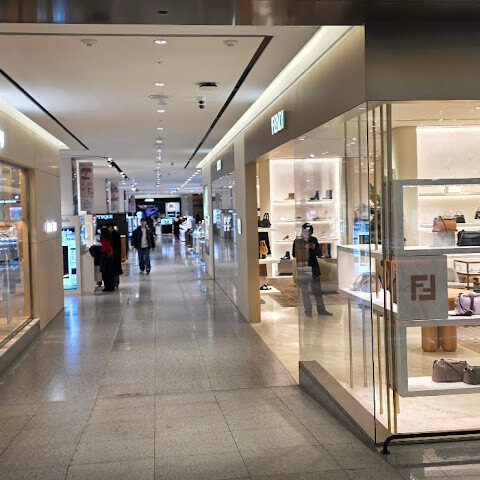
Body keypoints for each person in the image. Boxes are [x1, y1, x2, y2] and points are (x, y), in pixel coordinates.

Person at [292, 223, 332, 317]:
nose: (307, 233)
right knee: (305, 291)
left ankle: (321, 310)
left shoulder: (313, 240)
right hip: (303, 266)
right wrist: (303, 248)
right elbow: (294, 254)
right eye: (306, 231)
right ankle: (308, 310)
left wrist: (313, 247)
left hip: (313, 267)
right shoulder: (297, 241)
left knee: (317, 290)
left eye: (309, 232)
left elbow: (319, 253)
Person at [106, 222, 123, 288]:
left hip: (115, 254)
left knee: (115, 269)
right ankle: (112, 282)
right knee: (111, 269)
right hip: (110, 254)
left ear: (111, 227)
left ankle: (116, 282)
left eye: (108, 227)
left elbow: (117, 245)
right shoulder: (108, 234)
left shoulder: (116, 234)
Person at [99, 227, 115, 292]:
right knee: (110, 273)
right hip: (109, 257)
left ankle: (107, 287)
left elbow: (104, 248)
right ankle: (111, 286)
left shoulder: (103, 240)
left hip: (104, 257)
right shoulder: (109, 239)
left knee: (105, 273)